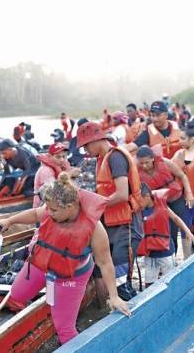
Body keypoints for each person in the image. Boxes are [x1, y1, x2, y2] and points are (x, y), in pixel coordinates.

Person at [0, 173, 131, 345]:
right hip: (42, 264)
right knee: (17, 294)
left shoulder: (95, 229)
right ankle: (47, 299)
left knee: (64, 329)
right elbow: (36, 214)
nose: (48, 213)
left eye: (53, 210)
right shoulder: (52, 208)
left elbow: (105, 263)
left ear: (70, 206)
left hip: (71, 275)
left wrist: (114, 296)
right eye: (48, 208)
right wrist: (9, 220)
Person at [76, 122, 143, 301]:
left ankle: (132, 314)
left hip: (126, 225)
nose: (85, 151)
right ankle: (105, 311)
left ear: (96, 140)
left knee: (121, 279)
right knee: (103, 269)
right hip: (110, 223)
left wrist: (95, 205)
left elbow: (122, 194)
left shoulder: (116, 158)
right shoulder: (101, 159)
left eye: (86, 146)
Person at [135, 145, 194, 257]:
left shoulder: (165, 163)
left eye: (147, 162)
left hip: (176, 200)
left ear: (153, 158)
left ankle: (189, 257)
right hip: (160, 204)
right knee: (169, 233)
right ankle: (172, 260)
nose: (144, 166)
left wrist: (189, 192)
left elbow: (182, 176)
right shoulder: (136, 173)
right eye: (141, 163)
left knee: (186, 227)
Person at [137, 185, 194, 287]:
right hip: (150, 254)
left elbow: (175, 218)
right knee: (149, 284)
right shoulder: (139, 211)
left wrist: (187, 231)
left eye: (139, 199)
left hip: (166, 252)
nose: (138, 203)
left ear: (147, 196)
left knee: (171, 281)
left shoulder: (162, 206)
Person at [33, 142, 81, 207]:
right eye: (58, 157)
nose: (62, 160)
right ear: (50, 156)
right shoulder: (46, 171)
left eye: (64, 156)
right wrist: (69, 174)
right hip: (43, 206)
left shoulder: (62, 165)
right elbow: (53, 191)